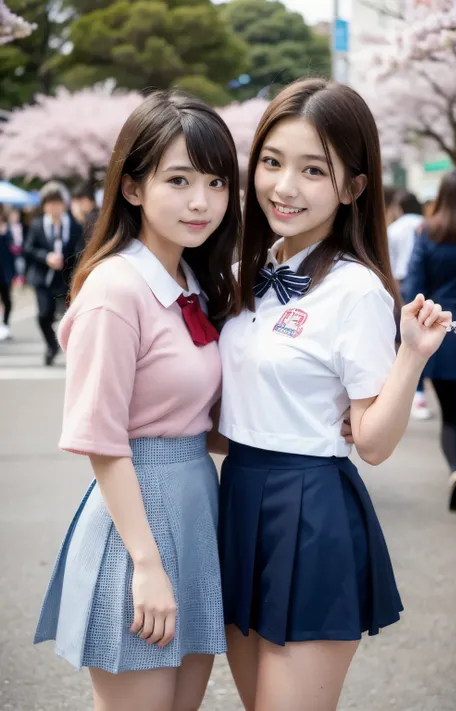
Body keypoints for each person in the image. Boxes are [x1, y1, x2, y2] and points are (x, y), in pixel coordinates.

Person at [216, 78, 451, 711]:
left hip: (309, 508)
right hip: (235, 497)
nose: (284, 186)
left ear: (352, 187)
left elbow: (371, 443)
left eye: (312, 170)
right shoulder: (245, 276)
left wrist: (412, 356)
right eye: (271, 162)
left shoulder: (357, 292)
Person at [33, 90, 242, 711]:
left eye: (215, 181)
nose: (201, 201)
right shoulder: (115, 289)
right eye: (178, 180)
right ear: (131, 188)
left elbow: (197, 419)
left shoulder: (194, 283)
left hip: (196, 511)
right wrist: (145, 564)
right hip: (138, 523)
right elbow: (100, 439)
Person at [403, 169, 456, 512]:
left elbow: (413, 286)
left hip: (444, 331)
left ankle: (455, 473)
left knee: (449, 416)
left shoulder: (428, 232)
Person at [23, 182, 83, 365]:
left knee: (72, 317)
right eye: (49, 203)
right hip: (43, 278)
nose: (53, 207)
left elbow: (80, 249)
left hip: (66, 279)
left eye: (57, 203)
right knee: (43, 315)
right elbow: (28, 248)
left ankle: (74, 350)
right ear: (44, 206)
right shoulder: (37, 225)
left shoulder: (73, 225)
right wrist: (46, 257)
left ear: (63, 204)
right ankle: (51, 345)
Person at [387, 190, 432, 420]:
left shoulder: (393, 229)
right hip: (428, 284)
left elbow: (390, 264)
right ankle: (420, 393)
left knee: (404, 339)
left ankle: (414, 391)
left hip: (402, 284)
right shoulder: (427, 224)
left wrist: (394, 295)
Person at [0, 205, 15, 341]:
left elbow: (12, 252)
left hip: (5, 271)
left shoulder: (7, 230)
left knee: (7, 300)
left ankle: (5, 323)